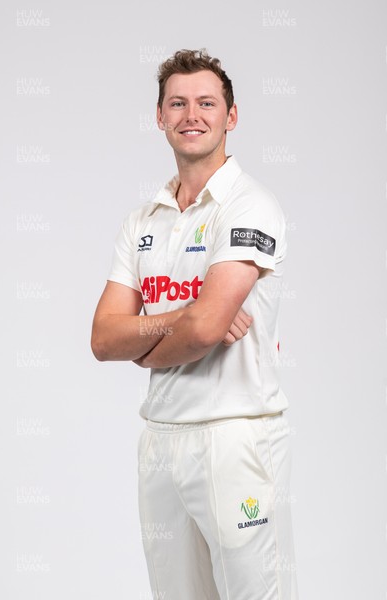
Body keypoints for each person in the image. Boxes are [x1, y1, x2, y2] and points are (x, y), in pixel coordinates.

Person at [91, 48, 298, 600]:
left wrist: (149, 335)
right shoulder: (144, 220)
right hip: (161, 439)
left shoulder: (249, 205)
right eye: (178, 103)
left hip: (236, 434)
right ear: (159, 116)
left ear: (231, 116)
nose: (192, 115)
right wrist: (184, 316)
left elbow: (207, 331)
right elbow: (103, 339)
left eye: (207, 103)